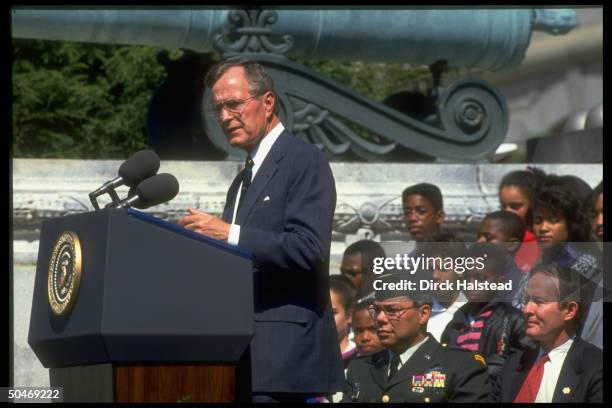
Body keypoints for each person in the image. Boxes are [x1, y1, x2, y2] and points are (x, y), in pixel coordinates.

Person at [178, 59, 344, 402]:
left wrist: (229, 234)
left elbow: (308, 248)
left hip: (282, 358)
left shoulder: (303, 160)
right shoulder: (242, 179)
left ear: (267, 102)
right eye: (218, 108)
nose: (224, 117)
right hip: (238, 354)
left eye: (234, 104)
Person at [342, 272, 489, 403]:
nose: (380, 318)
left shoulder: (460, 367)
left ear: (423, 314)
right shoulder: (361, 367)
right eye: (377, 310)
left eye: (392, 310)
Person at [492, 264, 602, 402]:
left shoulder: (594, 367)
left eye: (539, 301)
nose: (527, 309)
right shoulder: (513, 364)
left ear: (569, 310)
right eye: (526, 301)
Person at [441, 243, 530, 384]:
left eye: (480, 278)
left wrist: (473, 370)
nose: (470, 284)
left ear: (500, 283)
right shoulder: (455, 323)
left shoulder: (513, 320)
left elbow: (521, 367)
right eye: (466, 277)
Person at [416, 232, 468, 342]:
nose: (435, 276)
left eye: (444, 268)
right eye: (430, 269)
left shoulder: (473, 311)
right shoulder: (418, 315)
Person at [476, 211, 527, 310]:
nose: (479, 241)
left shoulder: (520, 287)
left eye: (488, 238)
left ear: (512, 244)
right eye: (478, 236)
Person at [498, 167, 546, 272]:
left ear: (534, 205)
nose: (507, 212)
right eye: (503, 206)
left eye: (515, 206)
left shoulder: (544, 242)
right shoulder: (494, 239)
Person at [330, 275, 359, 368]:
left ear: (349, 316)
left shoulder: (360, 359)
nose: (325, 319)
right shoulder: (306, 356)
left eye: (332, 312)